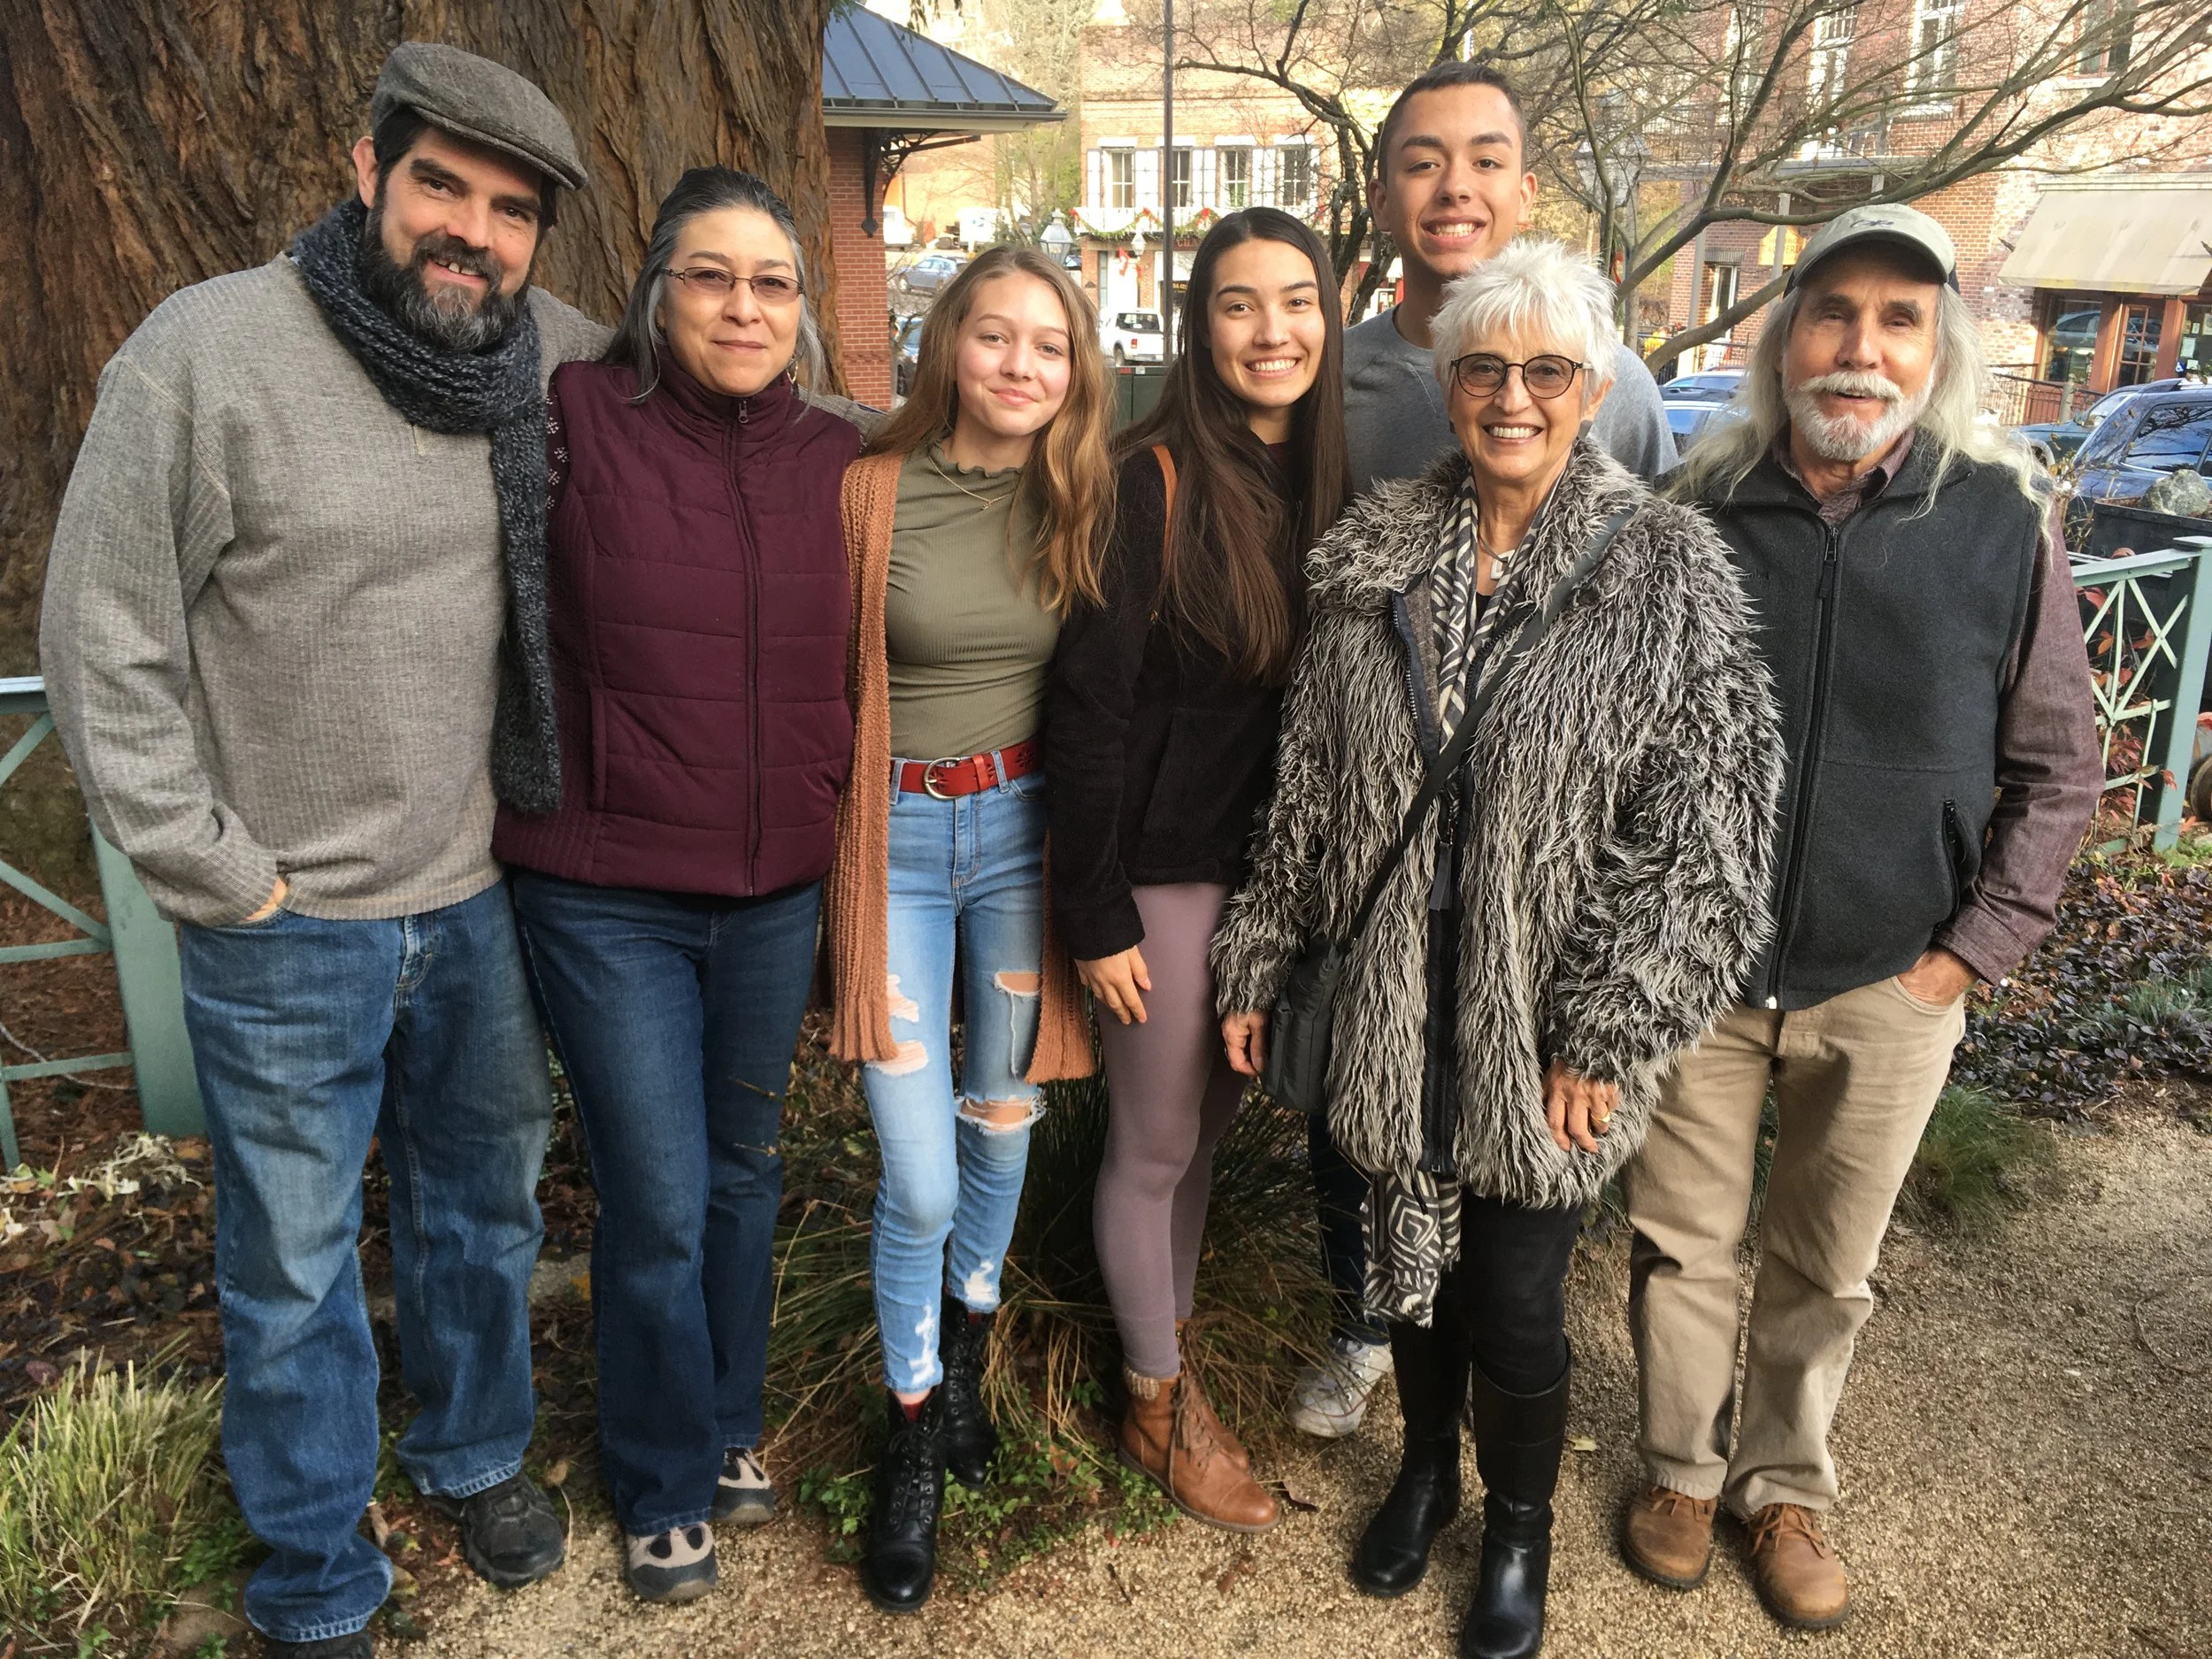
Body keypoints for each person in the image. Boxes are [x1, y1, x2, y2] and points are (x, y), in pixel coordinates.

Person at [39, 43, 605, 1658]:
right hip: (286, 916)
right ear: (368, 170)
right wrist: (221, 871)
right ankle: (313, 1572)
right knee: (289, 1262)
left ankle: (477, 1448)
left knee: (482, 1212)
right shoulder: (208, 355)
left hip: (481, 893)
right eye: (442, 186)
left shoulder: (538, 357)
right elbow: (103, 637)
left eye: (510, 212)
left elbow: (733, 393)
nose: (471, 234)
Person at [1212, 238, 1778, 1659]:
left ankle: (1515, 1526)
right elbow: (1312, 786)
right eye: (1483, 368)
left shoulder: (1661, 570)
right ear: (1449, 385)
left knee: (1519, 1292)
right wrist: (1262, 954)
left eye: (1545, 370)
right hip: (1390, 982)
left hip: (1543, 1006)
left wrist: (1609, 1020)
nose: (1511, 396)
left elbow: (1709, 830)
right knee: (1406, 1265)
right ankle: (1422, 1470)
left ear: (1591, 388)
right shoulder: (1376, 552)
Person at [1624, 204, 2101, 1633]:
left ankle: (1785, 1487)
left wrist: (1968, 953)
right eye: (1836, 313)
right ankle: (1676, 1470)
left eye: (1901, 319)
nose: (1862, 347)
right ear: (1786, 338)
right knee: (1682, 1242)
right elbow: (1630, 742)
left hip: (1896, 973)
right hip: (1702, 970)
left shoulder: (2001, 524)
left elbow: (2061, 766)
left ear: (1936, 347)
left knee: (1827, 1260)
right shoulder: (1698, 515)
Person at [491, 167, 870, 1604]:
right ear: (655, 292)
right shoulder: (574, 414)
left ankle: (725, 1425)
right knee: (652, 1194)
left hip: (775, 889)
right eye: (711, 276)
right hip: (606, 887)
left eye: (773, 282)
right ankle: (658, 1476)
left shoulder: (838, 457)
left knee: (742, 1175)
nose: (745, 305)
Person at [1297, 58, 1682, 1444]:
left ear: (1524, 183)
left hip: (1534, 828)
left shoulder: (1606, 373)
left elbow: (1632, 583)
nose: (1453, 186)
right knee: (1372, 1079)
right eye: (1421, 159)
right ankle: (1367, 1316)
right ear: (1385, 186)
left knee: (1511, 1119)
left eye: (1483, 158)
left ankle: (1506, 1333)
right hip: (1371, 800)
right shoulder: (1333, 374)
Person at [1047, 207, 1348, 1533]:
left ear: (1330, 318)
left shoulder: (1333, 483)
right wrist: (1097, 906)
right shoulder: (1150, 479)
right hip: (1162, 877)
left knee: (1208, 1137)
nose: (1270, 329)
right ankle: (1156, 1406)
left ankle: (1167, 1361)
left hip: (1269, 884)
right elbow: (1087, 709)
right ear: (1199, 323)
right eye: (1238, 304)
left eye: (1295, 301)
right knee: (1157, 1143)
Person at [824, 245, 1114, 1613]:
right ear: (950, 346)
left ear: (1074, 371)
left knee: (1004, 1117)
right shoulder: (869, 494)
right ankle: (908, 1433)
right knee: (920, 1176)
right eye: (994, 337)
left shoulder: (1087, 498)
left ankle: (962, 1368)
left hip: (1022, 848)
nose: (1019, 365)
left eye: (1047, 346)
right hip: (894, 847)